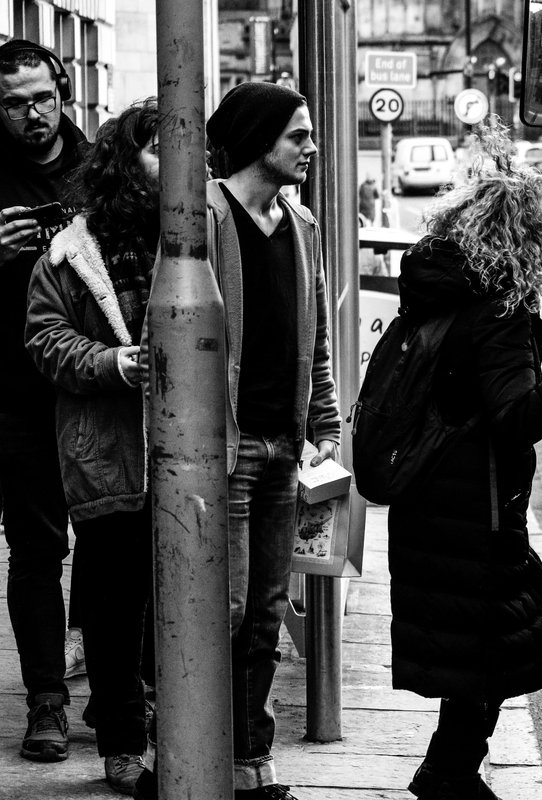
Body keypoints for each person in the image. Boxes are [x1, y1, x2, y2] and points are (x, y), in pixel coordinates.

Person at [388, 117, 542, 800]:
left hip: (439, 503)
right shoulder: (495, 311)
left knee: (488, 650)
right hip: (474, 508)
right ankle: (447, 775)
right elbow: (516, 418)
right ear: (523, 237)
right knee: (501, 647)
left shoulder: (443, 295)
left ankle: (449, 773)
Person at [136, 81, 341, 800]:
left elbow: (315, 345)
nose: (311, 148)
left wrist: (325, 428)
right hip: (220, 453)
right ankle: (176, 758)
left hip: (284, 448)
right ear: (260, 139)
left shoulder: (302, 223)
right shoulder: (204, 218)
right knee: (210, 611)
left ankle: (251, 765)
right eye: (299, 135)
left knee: (263, 614)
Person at [25, 100, 160, 795]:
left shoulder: (200, 242)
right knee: (113, 603)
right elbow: (45, 339)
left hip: (188, 454)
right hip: (108, 452)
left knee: (183, 597)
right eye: (158, 148)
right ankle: (122, 741)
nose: (176, 164)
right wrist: (114, 364)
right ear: (124, 162)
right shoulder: (71, 251)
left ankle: (172, 718)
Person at [0, 37, 90, 764]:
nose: (33, 115)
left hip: (96, 390)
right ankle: (47, 701)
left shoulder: (104, 168)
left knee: (113, 542)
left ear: (62, 89)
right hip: (18, 394)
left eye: (42, 97)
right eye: (13, 104)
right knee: (35, 548)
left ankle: (123, 691)